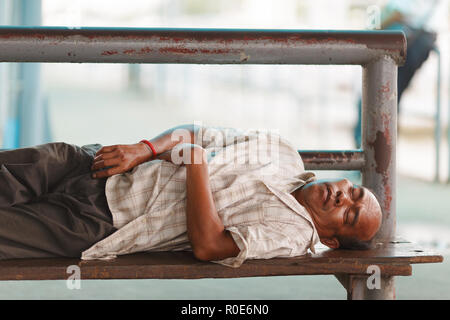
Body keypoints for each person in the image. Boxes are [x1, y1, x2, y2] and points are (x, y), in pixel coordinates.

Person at [0, 124, 382, 268]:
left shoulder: (294, 234)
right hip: (102, 165)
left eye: (349, 215)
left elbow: (210, 245)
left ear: (330, 239)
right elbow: (198, 132)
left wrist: (196, 164)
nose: (343, 198)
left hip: (103, 221)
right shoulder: (283, 151)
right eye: (355, 193)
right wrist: (144, 148)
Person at [354, 0, 439, 148]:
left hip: (408, 34)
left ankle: (374, 156)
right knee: (385, 99)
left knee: (379, 99)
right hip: (413, 35)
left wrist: (372, 28)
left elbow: (399, 11)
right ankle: (380, 157)